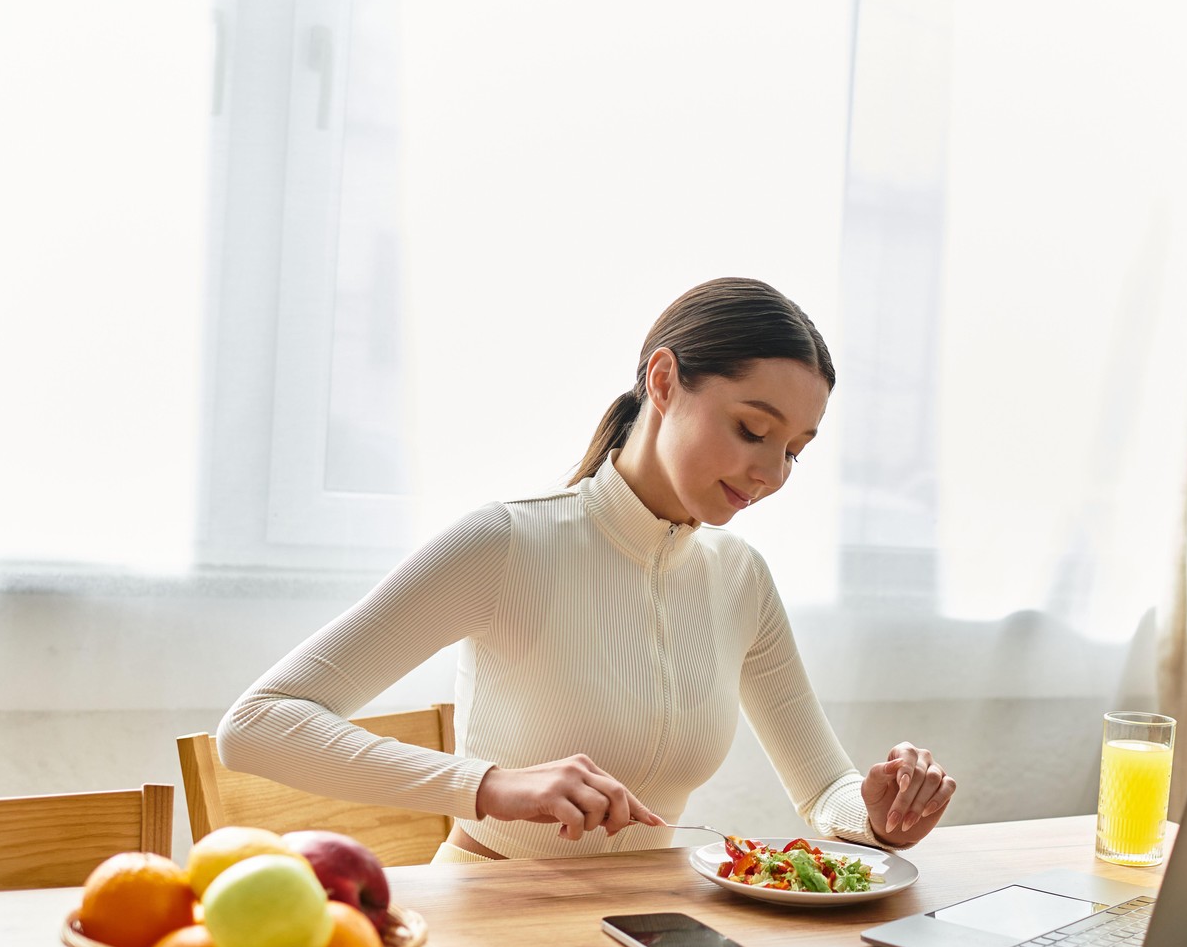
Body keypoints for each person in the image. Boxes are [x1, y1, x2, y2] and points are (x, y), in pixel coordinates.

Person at [217, 277, 957, 863]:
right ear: (663, 381)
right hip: (494, 920)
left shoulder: (740, 580)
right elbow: (257, 725)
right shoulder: (507, 542)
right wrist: (492, 786)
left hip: (648, 933)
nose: (771, 473)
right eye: (752, 429)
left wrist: (879, 815)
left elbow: (827, 789)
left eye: (794, 449)